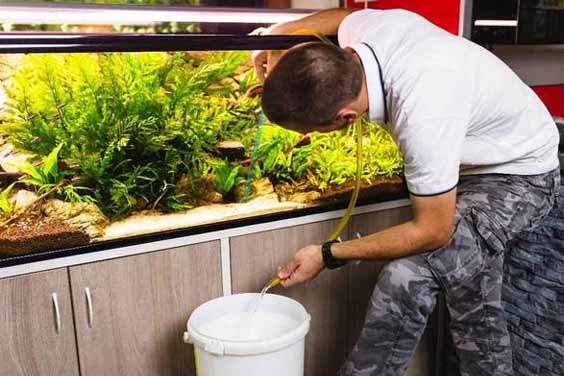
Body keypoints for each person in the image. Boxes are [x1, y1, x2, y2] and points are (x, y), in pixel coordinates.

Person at [252, 7, 560, 376]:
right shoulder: (366, 32)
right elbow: (343, 15)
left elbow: (433, 231)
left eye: (315, 131)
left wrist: (328, 254)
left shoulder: (422, 112)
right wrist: (277, 32)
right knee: (472, 295)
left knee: (406, 279)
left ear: (345, 118)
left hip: (521, 176)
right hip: (474, 160)